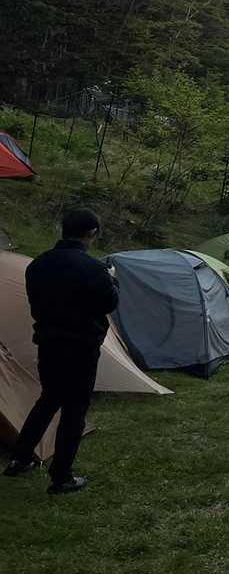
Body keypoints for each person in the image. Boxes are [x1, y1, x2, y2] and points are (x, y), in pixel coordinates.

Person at [3, 207, 118, 494]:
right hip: (81, 348)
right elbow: (109, 303)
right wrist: (112, 280)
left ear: (63, 230)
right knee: (74, 410)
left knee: (48, 399)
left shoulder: (37, 265)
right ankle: (61, 477)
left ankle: (20, 458)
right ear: (92, 233)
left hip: (48, 343)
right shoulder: (94, 269)